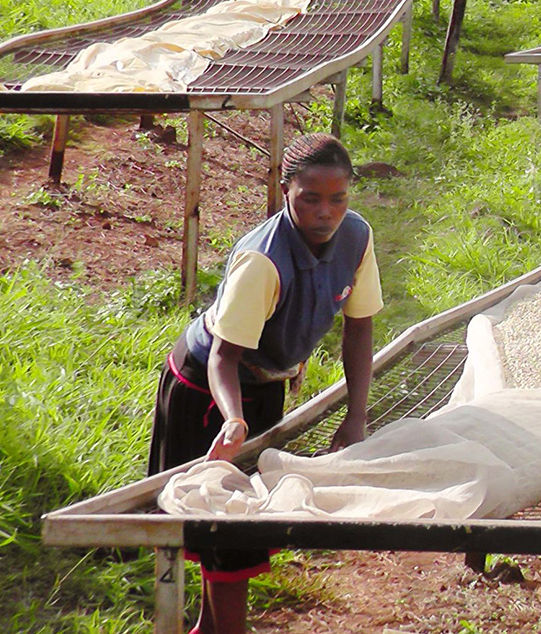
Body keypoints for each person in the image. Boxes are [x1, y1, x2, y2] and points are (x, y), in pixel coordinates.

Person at [147, 133, 382, 634]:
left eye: (337, 198)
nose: (325, 212)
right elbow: (224, 357)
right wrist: (233, 418)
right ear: (285, 191)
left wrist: (356, 415)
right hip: (208, 392)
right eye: (310, 199)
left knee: (240, 524)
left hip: (264, 385)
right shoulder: (263, 260)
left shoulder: (357, 238)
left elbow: (359, 326)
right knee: (225, 527)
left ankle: (211, 628)